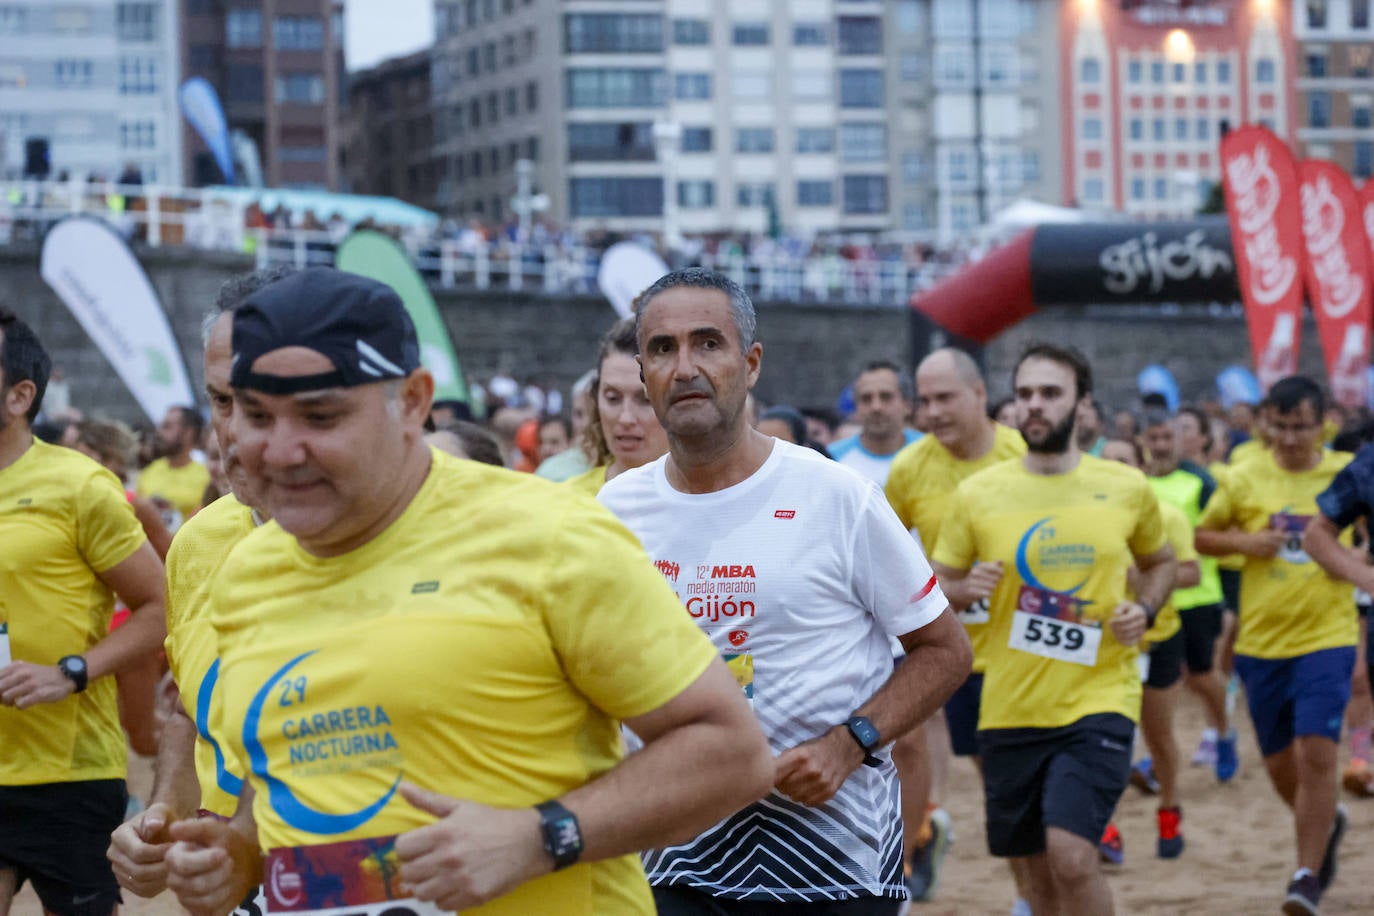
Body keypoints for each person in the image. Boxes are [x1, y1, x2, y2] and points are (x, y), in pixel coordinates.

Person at [160, 268, 774, 916]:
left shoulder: (547, 536)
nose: (280, 451)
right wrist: (239, 858)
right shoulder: (243, 572)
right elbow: (290, 781)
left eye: (321, 416)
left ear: (415, 402)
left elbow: (733, 753)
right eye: (253, 414)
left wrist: (541, 838)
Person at [599, 268, 972, 913]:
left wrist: (849, 742)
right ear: (643, 372)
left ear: (751, 363)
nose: (684, 367)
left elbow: (945, 650)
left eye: (707, 343)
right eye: (662, 349)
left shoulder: (836, 496)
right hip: (673, 856)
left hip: (833, 861)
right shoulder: (615, 510)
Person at [930, 342, 1176, 916]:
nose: (1034, 406)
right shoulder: (978, 495)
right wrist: (965, 590)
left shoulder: (1124, 486)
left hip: (1100, 697)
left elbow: (1162, 562)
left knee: (1071, 854)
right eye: (1024, 394)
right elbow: (935, 583)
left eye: (1050, 393)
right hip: (1011, 706)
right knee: (1036, 878)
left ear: (1082, 405)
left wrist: (1147, 607)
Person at [107, 268, 290, 913]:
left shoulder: (448, 540)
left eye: (263, 401)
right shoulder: (199, 543)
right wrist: (160, 817)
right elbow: (193, 710)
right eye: (221, 402)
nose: (234, 431)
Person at [0, 306, 167, 916]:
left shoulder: (79, 486)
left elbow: (159, 605)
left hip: (64, 772)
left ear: (20, 395)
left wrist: (69, 672)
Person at [1196, 375, 1354, 916]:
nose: (1290, 439)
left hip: (1328, 636)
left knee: (1317, 752)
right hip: (1262, 641)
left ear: (1324, 422)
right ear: (1265, 422)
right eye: (1280, 427)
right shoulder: (1242, 476)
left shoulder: (1347, 475)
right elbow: (1203, 537)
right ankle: (1325, 821)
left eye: (1301, 427)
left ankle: (1306, 874)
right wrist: (1247, 542)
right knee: (1282, 765)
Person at [883, 347, 1026, 903]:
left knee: (1018, 780)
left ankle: (1026, 899)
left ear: (979, 395)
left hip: (1030, 653)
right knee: (997, 779)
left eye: (945, 398)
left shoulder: (1022, 455)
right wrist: (955, 593)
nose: (933, 411)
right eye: (924, 401)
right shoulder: (910, 469)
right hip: (960, 656)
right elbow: (883, 563)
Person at [1100, 437, 1199, 859]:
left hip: (1158, 639)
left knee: (1158, 736)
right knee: (1103, 738)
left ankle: (1169, 809)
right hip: (1106, 644)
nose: (1116, 471)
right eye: (1106, 464)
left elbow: (1192, 573)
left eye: (1124, 462)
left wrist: (1146, 580)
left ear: (1142, 469)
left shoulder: (1169, 516)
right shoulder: (1089, 522)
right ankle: (1103, 828)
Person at [1140, 410, 1237, 782]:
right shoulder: (1135, 485)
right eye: (1154, 439)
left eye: (1168, 438)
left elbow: (1220, 533)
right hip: (1153, 598)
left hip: (1197, 595)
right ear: (1143, 444)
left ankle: (1224, 732)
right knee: (1158, 685)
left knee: (1201, 677)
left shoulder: (1200, 482)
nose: (1161, 446)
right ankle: (1157, 754)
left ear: (1180, 442)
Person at [1305, 431, 1374, 800]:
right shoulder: (1366, 468)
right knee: (1359, 678)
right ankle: (1361, 759)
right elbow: (1317, 535)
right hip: (1357, 600)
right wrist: (1362, 572)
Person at [564, 319, 669, 497]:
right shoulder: (570, 501)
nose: (626, 418)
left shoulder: (712, 497)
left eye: (645, 399)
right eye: (613, 398)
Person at [828, 360, 921, 487]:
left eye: (886, 396)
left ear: (908, 405)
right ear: (855, 408)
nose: (876, 407)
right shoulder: (831, 460)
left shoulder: (932, 453)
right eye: (866, 398)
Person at [136, 405, 210, 531]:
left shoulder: (208, 476)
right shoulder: (150, 471)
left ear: (188, 433)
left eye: (167, 427)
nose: (159, 433)